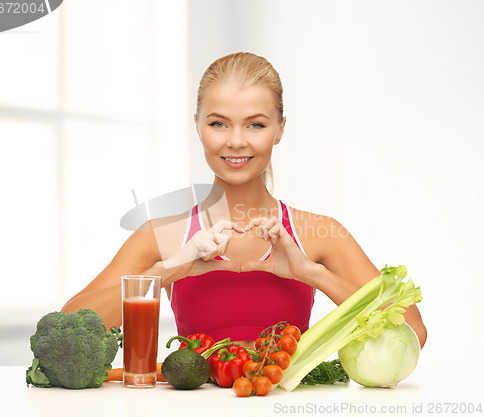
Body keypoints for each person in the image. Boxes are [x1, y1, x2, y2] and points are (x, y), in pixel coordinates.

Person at [62, 52, 427, 349]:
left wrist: (312, 274)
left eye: (256, 124)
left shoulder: (318, 233)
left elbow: (412, 332)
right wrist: (168, 270)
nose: (236, 141)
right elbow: (66, 328)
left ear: (280, 129)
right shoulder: (163, 235)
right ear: (197, 126)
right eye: (219, 123)